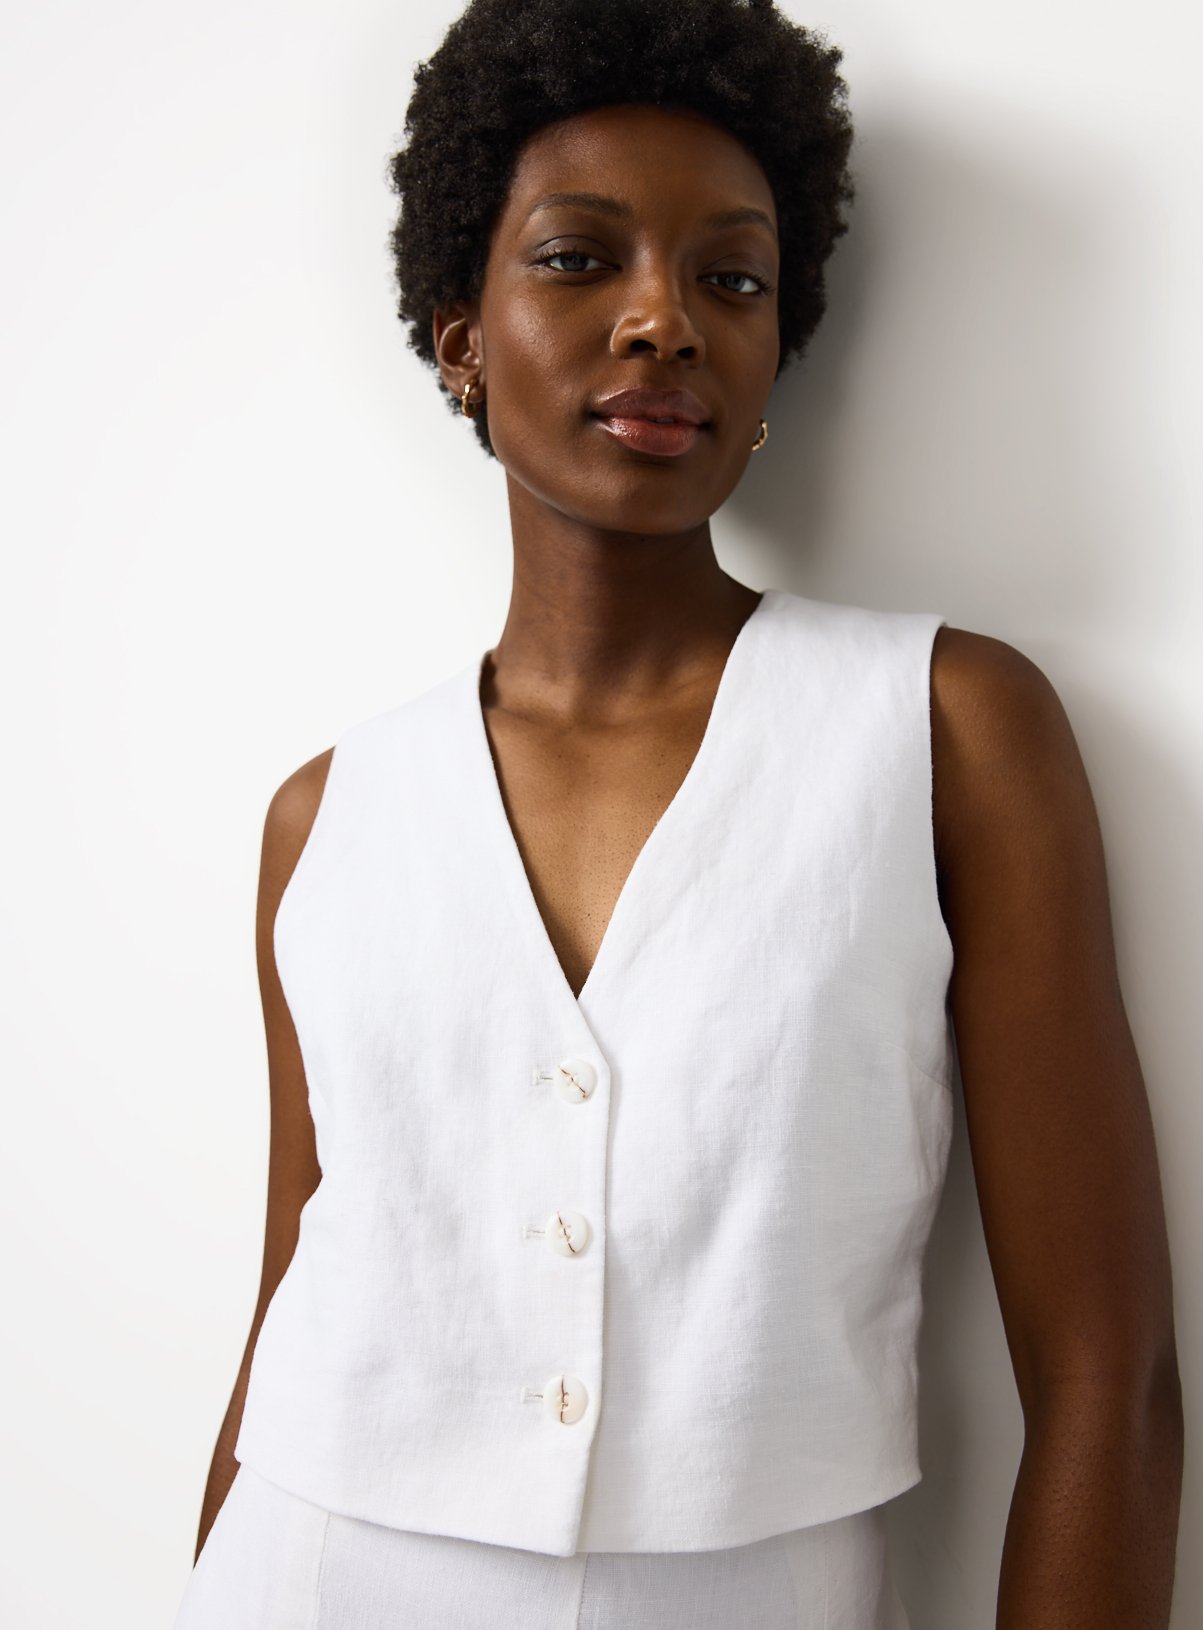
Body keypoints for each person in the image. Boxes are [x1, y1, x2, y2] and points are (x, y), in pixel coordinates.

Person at [170, 1, 1183, 1626]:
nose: (664, 321)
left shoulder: (946, 728)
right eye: (580, 260)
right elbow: (287, 1298)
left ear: (779, 353)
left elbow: (1107, 1380)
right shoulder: (327, 814)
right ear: (461, 339)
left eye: (733, 280)